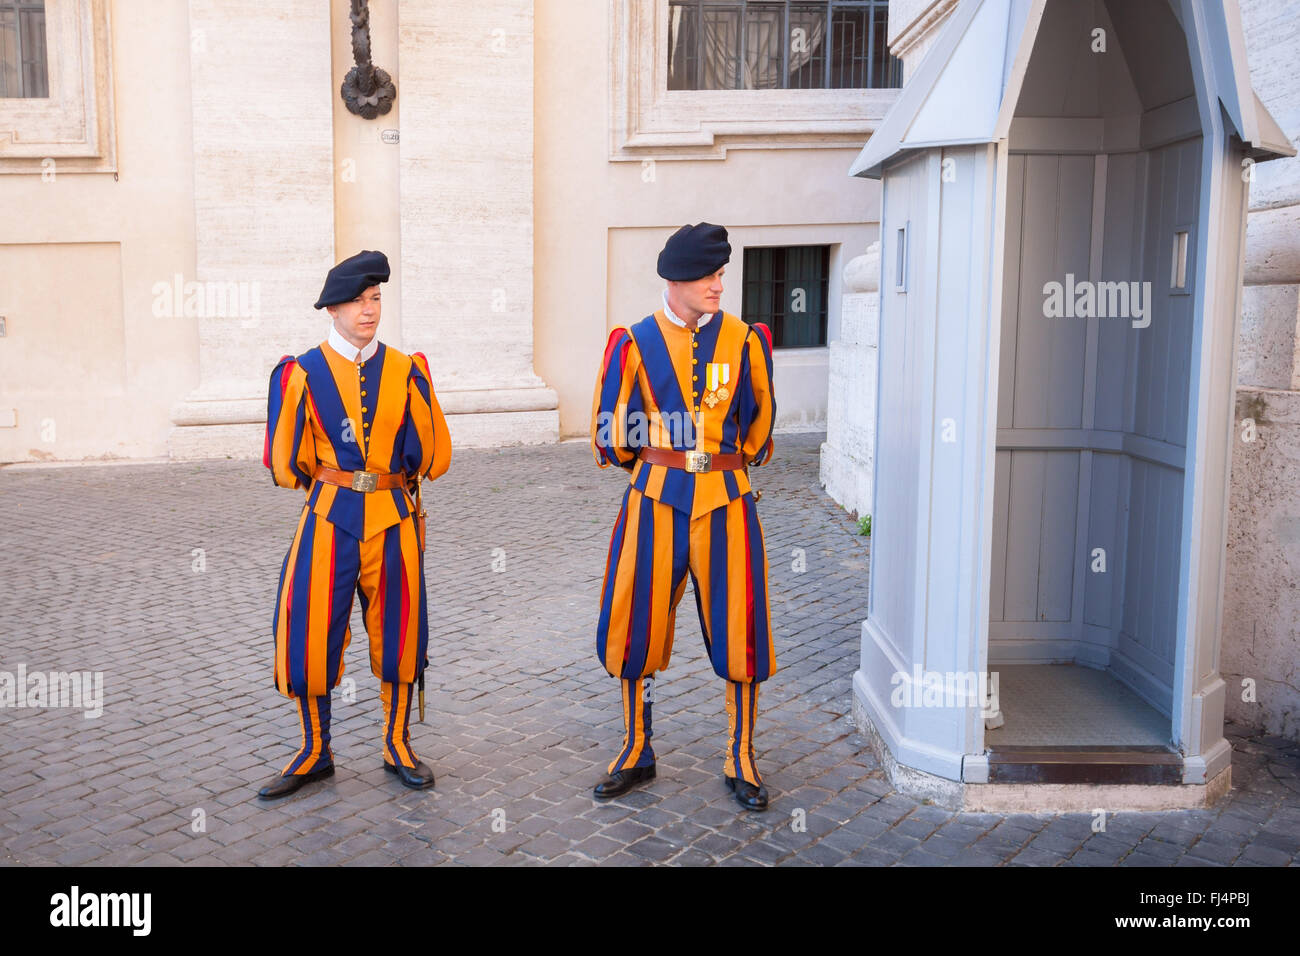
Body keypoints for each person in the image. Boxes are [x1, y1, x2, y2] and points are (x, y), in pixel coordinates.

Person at [590, 222, 777, 811]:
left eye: (722, 274)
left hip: (727, 500)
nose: (719, 285)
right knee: (636, 625)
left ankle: (740, 755)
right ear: (676, 280)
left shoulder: (746, 340)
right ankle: (636, 748)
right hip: (654, 501)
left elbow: (760, 432)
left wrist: (717, 467)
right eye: (708, 276)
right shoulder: (634, 342)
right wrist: (661, 467)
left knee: (739, 626)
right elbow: (611, 436)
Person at [256, 250, 451, 799]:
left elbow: (432, 455)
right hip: (328, 516)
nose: (368, 310)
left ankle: (397, 743)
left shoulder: (407, 369)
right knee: (309, 630)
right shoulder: (302, 373)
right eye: (357, 301)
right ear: (332, 308)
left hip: (394, 516)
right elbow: (285, 464)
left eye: (375, 299)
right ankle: (314, 750)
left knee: (400, 629)